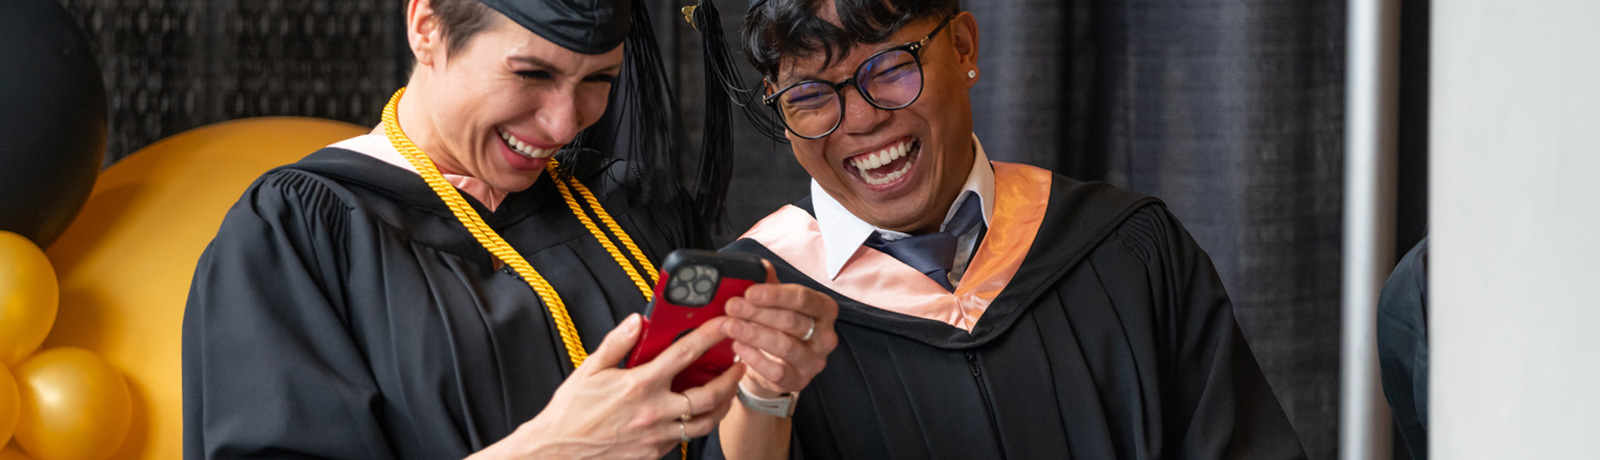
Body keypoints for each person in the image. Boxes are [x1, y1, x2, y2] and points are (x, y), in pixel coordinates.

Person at [182, 0, 837, 458]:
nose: (562, 123)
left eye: (598, 81)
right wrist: (554, 451)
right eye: (532, 74)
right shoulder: (300, 236)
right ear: (427, 27)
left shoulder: (628, 207)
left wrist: (766, 392)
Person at [696, 0, 1307, 457]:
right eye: (809, 96)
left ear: (963, 47)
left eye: (887, 68)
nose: (858, 120)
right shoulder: (746, 312)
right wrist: (762, 401)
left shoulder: (1128, 250)